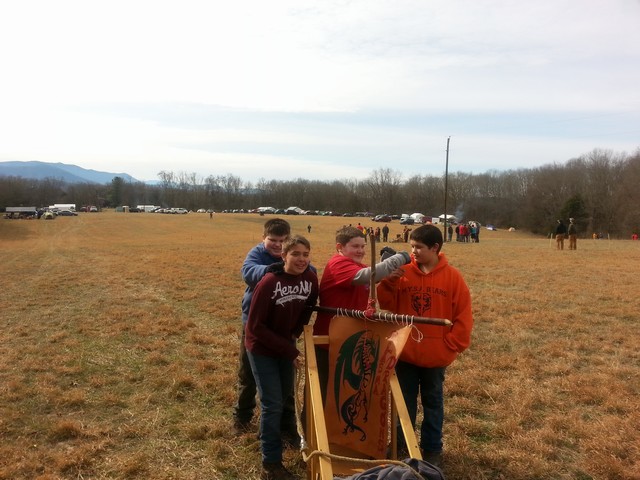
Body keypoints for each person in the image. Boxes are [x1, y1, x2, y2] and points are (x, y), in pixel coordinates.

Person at [377, 224, 473, 467]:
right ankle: (402, 444)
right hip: (406, 353)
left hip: (436, 357)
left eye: (418, 247)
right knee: (403, 402)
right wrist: (388, 283)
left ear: (435, 248)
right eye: (411, 246)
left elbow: (463, 314)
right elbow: (386, 304)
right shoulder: (403, 272)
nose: (413, 251)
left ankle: (432, 449)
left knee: (433, 403)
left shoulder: (453, 277)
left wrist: (451, 344)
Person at [245, 235, 319, 480]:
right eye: (295, 254)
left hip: (285, 345)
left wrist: (294, 335)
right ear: (283, 255)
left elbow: (308, 307)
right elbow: (255, 327)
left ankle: (273, 432)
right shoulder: (269, 282)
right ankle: (271, 464)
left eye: (305, 254)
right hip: (261, 348)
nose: (301, 259)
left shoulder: (310, 278)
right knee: (272, 403)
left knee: (285, 395)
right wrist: (289, 350)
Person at [313, 226, 411, 403]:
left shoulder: (355, 265)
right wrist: (402, 257)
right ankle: (311, 421)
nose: (361, 251)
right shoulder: (338, 264)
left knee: (345, 394)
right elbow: (368, 275)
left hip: (351, 339)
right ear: (339, 247)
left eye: (363, 246)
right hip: (330, 340)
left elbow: (372, 276)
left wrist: (388, 273)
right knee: (323, 393)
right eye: (355, 246)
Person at [234, 218, 302, 445]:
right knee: (248, 374)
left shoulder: (293, 254)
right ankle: (242, 416)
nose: (278, 245)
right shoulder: (257, 254)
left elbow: (307, 271)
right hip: (254, 326)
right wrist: (272, 269)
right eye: (273, 240)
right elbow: (248, 272)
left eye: (283, 241)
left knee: (286, 379)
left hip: (284, 328)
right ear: (263, 238)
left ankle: (287, 424)